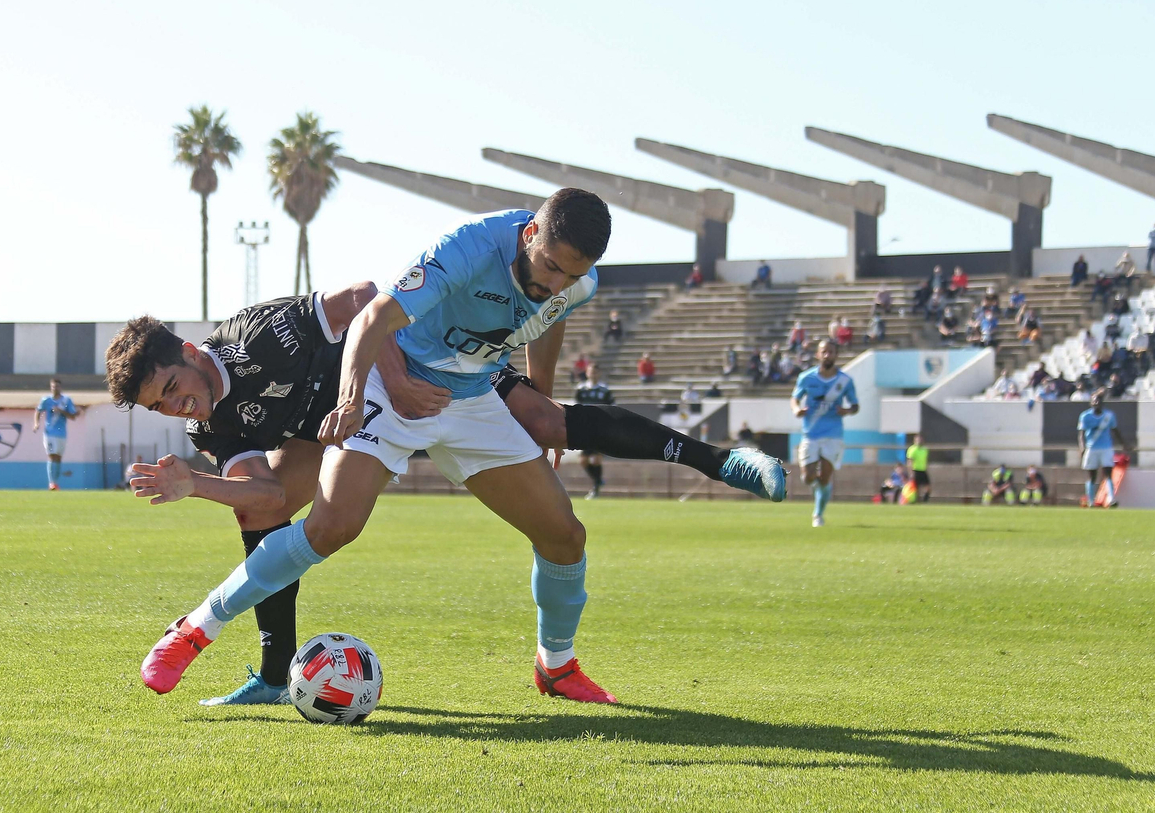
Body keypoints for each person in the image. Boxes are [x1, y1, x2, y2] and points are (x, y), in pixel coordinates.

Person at [133, 193, 787, 707]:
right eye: (550, 264)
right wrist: (359, 395)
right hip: (399, 386)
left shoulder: (573, 281)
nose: (556, 279)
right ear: (530, 233)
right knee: (332, 527)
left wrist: (539, 399)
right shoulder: (467, 248)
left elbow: (547, 319)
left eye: (572, 272)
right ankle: (194, 630)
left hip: (471, 400)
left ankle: (555, 666)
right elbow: (370, 316)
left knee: (565, 536)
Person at [791, 338, 859, 527]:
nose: (828, 355)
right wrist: (796, 409)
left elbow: (855, 406)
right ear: (817, 354)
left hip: (833, 435)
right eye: (824, 351)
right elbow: (794, 398)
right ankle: (817, 491)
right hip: (810, 434)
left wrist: (847, 410)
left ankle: (818, 514)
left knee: (826, 476)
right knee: (808, 477)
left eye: (831, 352)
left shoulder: (845, 381)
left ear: (836, 355)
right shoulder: (807, 377)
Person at [1078, 389, 1127, 508]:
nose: (1096, 403)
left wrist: (1124, 444)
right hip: (1091, 448)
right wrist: (1082, 447)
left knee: (1108, 474)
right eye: (1094, 401)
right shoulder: (1085, 416)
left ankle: (1111, 499)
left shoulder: (1109, 416)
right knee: (1092, 475)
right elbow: (1081, 434)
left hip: (1106, 448)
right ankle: (1090, 501)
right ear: (1091, 403)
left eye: (1098, 401)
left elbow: (1115, 430)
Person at [574, 364, 617, 499]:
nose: (593, 374)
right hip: (585, 429)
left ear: (599, 374)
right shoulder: (581, 389)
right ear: (587, 373)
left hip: (600, 429)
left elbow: (612, 408)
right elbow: (576, 408)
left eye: (595, 372)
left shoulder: (604, 390)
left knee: (597, 459)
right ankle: (598, 481)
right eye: (591, 372)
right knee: (583, 460)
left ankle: (596, 489)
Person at [33, 378, 79, 490]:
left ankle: (56, 483)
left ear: (60, 387)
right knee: (51, 456)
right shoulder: (46, 400)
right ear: (50, 387)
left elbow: (73, 416)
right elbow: (38, 411)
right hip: (49, 432)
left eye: (57, 386)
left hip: (61, 433)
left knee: (58, 457)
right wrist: (36, 423)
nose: (55, 388)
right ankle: (51, 483)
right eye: (53, 386)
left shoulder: (66, 400)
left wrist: (61, 411)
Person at [906, 434, 931, 503]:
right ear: (914, 440)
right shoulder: (912, 449)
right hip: (915, 470)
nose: (919, 441)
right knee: (916, 488)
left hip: (923, 470)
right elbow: (910, 461)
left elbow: (925, 460)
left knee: (928, 487)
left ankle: (925, 500)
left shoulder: (925, 450)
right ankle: (915, 501)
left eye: (920, 439)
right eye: (917, 440)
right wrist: (911, 472)